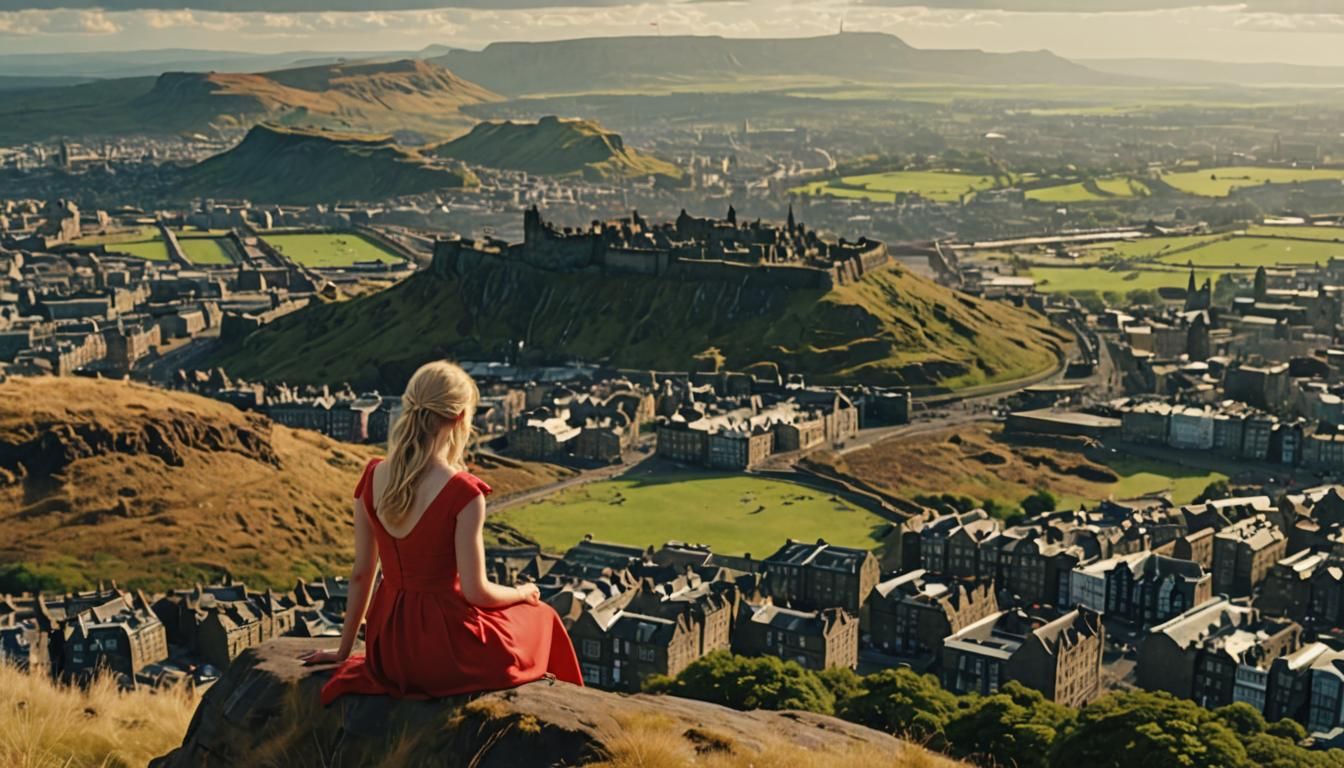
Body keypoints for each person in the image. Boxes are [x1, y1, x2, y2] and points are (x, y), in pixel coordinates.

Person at [302, 361, 583, 702]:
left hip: (388, 652)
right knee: (542, 616)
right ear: (461, 418)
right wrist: (523, 592)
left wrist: (343, 651)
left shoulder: (373, 475)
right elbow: (477, 593)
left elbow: (362, 574)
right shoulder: (464, 493)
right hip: (445, 652)